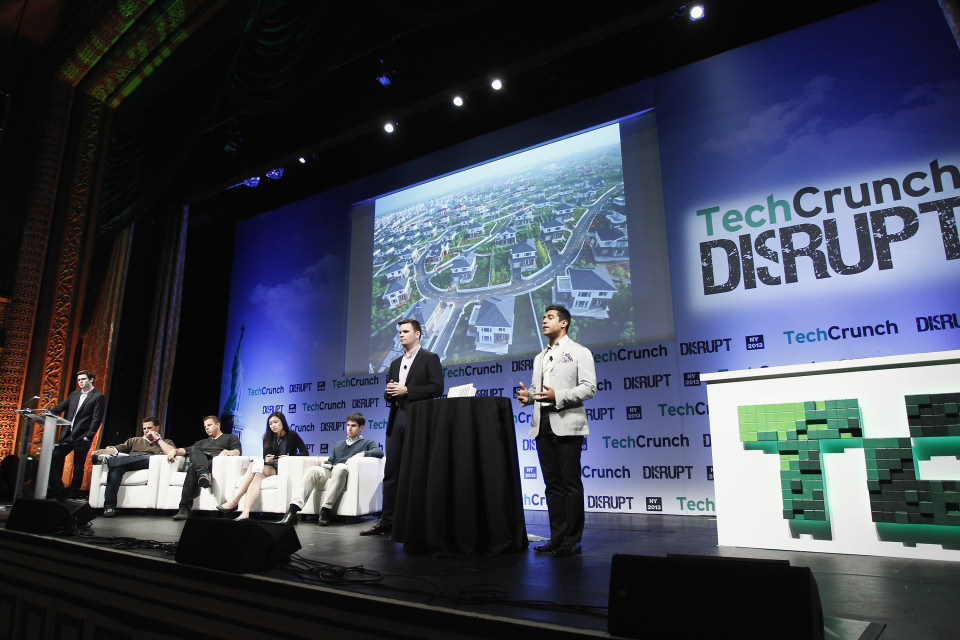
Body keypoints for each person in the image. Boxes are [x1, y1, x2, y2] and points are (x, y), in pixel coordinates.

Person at [516, 304, 596, 558]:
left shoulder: (579, 352)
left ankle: (573, 539)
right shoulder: (540, 357)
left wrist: (558, 395)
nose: (544, 321)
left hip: (567, 424)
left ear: (564, 323)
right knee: (552, 485)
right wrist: (527, 397)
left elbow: (589, 388)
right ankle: (557, 537)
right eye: (543, 317)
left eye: (550, 317)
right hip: (543, 425)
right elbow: (537, 392)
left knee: (570, 484)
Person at [360, 318, 443, 536]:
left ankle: (419, 522)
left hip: (418, 419)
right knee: (392, 472)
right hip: (396, 418)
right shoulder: (395, 363)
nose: (401, 335)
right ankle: (387, 521)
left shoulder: (430, 358)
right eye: (399, 332)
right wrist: (389, 392)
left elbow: (437, 388)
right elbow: (389, 394)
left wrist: (407, 391)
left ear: (417, 334)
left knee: (417, 471)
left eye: (405, 331)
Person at [279, 412, 383, 526]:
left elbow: (379, 452)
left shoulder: (367, 443)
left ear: (361, 427)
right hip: (331, 469)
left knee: (340, 467)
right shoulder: (339, 444)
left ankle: (325, 511)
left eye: (353, 426)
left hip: (344, 471)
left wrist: (362, 454)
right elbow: (331, 461)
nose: (349, 428)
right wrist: (324, 463)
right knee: (313, 470)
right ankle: (293, 510)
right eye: (348, 425)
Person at [218, 411, 308, 519]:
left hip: (283, 468)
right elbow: (264, 457)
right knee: (257, 476)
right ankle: (246, 512)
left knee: (252, 467)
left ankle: (234, 501)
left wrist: (289, 457)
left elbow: (305, 452)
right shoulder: (267, 437)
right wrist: (266, 458)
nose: (273, 426)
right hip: (270, 466)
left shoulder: (292, 435)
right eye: (270, 424)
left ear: (282, 422)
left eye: (275, 422)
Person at [91, 416, 175, 516]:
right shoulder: (134, 440)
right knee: (115, 470)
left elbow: (172, 451)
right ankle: (109, 508)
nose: (146, 431)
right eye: (144, 429)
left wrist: (158, 440)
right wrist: (99, 452)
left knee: (150, 458)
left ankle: (110, 461)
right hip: (128, 465)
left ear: (157, 428)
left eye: (150, 428)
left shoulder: (166, 442)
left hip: (149, 465)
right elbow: (117, 449)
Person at [45, 370, 106, 499]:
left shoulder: (97, 396)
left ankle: (72, 494)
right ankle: (58, 491)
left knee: (78, 467)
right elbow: (61, 407)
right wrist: (48, 413)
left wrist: (88, 436)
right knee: (55, 458)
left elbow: (97, 418)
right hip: (68, 435)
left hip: (82, 437)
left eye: (83, 379)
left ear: (91, 380)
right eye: (78, 380)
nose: (80, 382)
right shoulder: (74, 394)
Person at [169, 415, 241, 520]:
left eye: (209, 425)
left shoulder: (230, 437)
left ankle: (184, 508)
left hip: (216, 462)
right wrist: (174, 451)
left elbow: (237, 452)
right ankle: (203, 474)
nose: (206, 428)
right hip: (202, 462)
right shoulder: (202, 442)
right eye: (205, 426)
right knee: (194, 450)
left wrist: (229, 452)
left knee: (193, 466)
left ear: (218, 425)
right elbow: (185, 450)